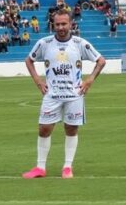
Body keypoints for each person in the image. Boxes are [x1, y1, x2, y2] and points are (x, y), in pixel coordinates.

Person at [22, 10, 106, 179]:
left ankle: (67, 167)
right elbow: (29, 60)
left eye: (64, 24)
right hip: (51, 95)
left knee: (71, 129)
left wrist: (89, 80)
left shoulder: (79, 43)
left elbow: (101, 61)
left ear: (71, 24)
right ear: (53, 24)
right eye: (57, 24)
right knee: (44, 129)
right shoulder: (44, 43)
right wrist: (38, 81)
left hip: (74, 95)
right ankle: (40, 167)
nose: (60, 27)